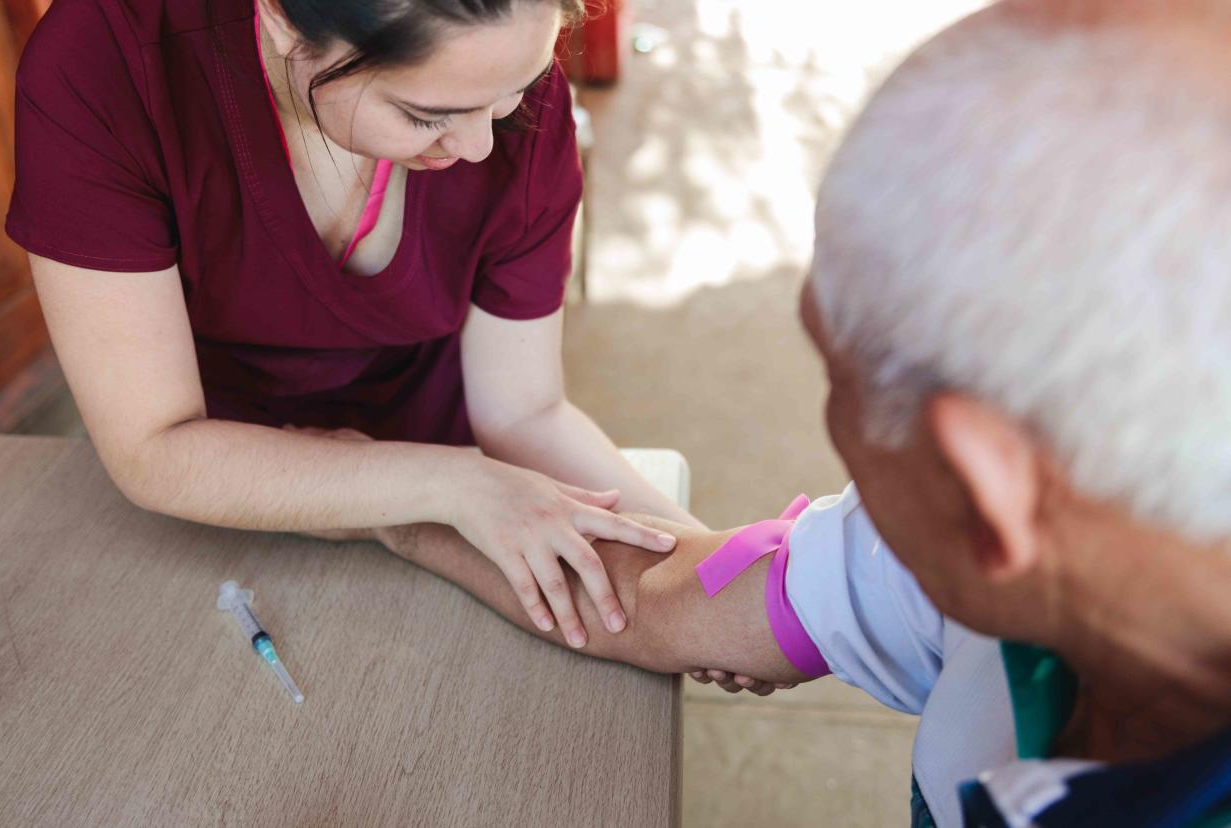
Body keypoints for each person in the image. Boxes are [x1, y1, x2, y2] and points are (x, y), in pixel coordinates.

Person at [317, 1, 1231, 823]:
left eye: (835, 371)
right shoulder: (941, 562)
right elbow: (655, 602)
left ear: (984, 483)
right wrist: (403, 511)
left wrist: (395, 506)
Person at [6, 0, 703, 654]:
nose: (481, 146)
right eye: (427, 115)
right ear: (281, 17)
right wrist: (444, 487)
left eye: (511, 96)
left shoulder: (501, 68)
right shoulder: (107, 65)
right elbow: (155, 449)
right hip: (223, 508)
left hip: (455, 476)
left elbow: (525, 410)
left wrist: (702, 554)